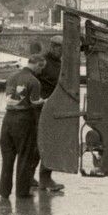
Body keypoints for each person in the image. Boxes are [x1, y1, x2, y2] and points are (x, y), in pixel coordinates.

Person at [0, 54, 46, 199]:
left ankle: (4, 191)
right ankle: (22, 192)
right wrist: (45, 101)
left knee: (7, 159)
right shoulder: (34, 81)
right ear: (36, 64)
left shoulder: (12, 76)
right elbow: (34, 102)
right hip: (24, 120)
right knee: (25, 157)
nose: (41, 71)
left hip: (7, 120)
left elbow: (10, 96)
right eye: (41, 67)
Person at [30, 35, 65, 192]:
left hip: (53, 107)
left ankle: (43, 178)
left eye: (62, 48)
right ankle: (33, 177)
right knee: (40, 143)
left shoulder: (60, 63)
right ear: (52, 47)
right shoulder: (43, 61)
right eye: (58, 47)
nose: (60, 51)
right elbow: (31, 80)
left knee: (48, 144)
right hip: (40, 108)